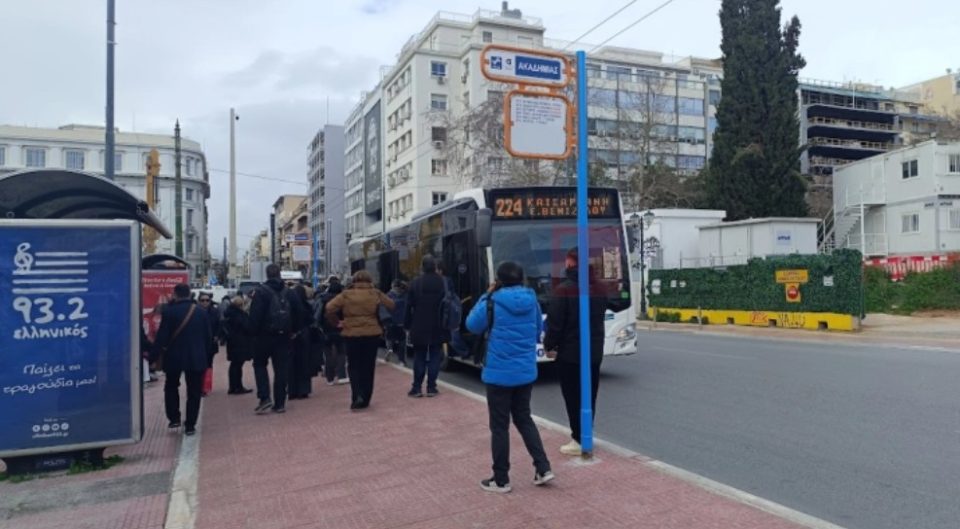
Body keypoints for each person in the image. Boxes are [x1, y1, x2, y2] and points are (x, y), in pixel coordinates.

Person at [466, 261, 554, 493]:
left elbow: (472, 325)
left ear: (499, 280)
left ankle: (501, 479)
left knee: (499, 427)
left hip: (498, 374)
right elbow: (537, 332)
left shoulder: (492, 301)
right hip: (525, 372)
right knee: (524, 418)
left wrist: (486, 295)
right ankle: (543, 467)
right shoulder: (532, 300)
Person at [543, 248, 607, 457]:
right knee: (590, 396)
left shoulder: (564, 290)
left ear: (570, 264)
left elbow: (556, 324)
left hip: (570, 355)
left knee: (573, 397)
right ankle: (586, 434)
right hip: (594, 353)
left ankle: (578, 439)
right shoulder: (599, 288)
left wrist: (549, 345)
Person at [325, 270, 394, 411]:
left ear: (354, 281)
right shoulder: (375, 293)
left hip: (351, 334)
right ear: (369, 280)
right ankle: (366, 397)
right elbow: (391, 305)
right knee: (368, 367)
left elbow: (329, 307)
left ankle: (356, 396)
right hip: (372, 334)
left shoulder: (346, 294)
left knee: (354, 366)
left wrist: (337, 322)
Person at [153, 283, 212, 436]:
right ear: (190, 294)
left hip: (174, 357)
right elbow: (208, 338)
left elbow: (162, 337)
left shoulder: (169, 312)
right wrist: (207, 357)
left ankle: (174, 417)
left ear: (176, 294)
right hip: (196, 357)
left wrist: (153, 356)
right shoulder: (201, 312)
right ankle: (191, 424)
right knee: (194, 391)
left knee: (171, 386)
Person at [246, 264, 303, 414]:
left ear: (267, 274)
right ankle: (280, 403)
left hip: (263, 337)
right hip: (283, 336)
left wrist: (253, 333)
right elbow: (299, 312)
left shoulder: (260, 292)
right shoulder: (289, 292)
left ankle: (264, 397)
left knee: (259, 365)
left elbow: (255, 316)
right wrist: (294, 331)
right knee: (281, 369)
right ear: (280, 274)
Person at [404, 256, 446, 397]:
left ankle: (416, 388)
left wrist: (407, 324)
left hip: (419, 324)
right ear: (435, 266)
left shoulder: (415, 283)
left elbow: (408, 306)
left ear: (422, 267)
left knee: (419, 356)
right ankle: (431, 387)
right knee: (435, 356)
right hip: (438, 324)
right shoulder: (442, 282)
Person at [316, 281, 348, 385]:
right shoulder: (343, 300)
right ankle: (342, 376)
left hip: (326, 330)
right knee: (341, 353)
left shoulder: (322, 299)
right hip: (340, 328)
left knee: (328, 354)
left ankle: (329, 378)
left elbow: (318, 316)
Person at [221, 295, 254, 394]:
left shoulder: (230, 313)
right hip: (240, 342)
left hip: (233, 342)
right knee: (237, 365)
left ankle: (234, 386)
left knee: (235, 365)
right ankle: (237, 386)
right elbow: (246, 326)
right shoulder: (239, 314)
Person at [287, 283, 315, 400]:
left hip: (291, 337)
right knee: (304, 363)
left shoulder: (288, 306)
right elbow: (311, 320)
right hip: (304, 336)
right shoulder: (306, 306)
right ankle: (304, 390)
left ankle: (292, 390)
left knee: (291, 364)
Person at [436, 261, 468, 358]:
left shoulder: (443, 281)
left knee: (452, 336)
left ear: (440, 271)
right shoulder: (446, 280)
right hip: (448, 312)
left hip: (448, 312)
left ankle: (465, 352)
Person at [384, 279, 408, 366]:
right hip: (401, 322)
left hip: (391, 321)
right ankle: (401, 360)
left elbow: (384, 308)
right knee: (402, 341)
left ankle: (390, 349)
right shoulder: (404, 295)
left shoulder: (388, 296)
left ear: (393, 286)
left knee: (389, 338)